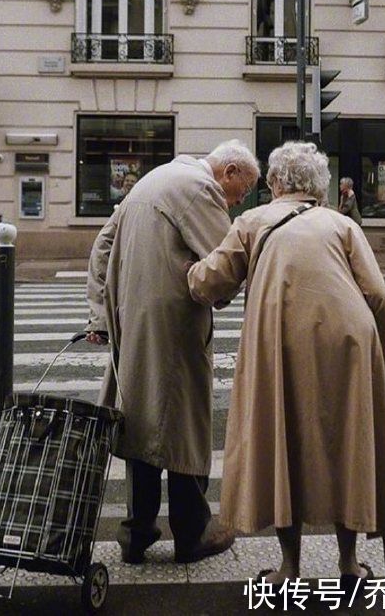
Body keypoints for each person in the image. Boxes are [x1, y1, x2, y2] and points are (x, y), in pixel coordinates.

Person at [187, 141, 385, 592]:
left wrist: (185, 272)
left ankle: (290, 568)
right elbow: (381, 296)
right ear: (319, 187)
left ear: (273, 183)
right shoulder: (341, 224)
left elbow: (211, 280)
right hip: (349, 342)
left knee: (283, 447)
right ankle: (349, 565)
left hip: (281, 343)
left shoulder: (251, 221)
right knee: (350, 448)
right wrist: (382, 346)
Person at [85, 140, 261, 565]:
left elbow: (102, 246)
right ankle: (193, 533)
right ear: (230, 171)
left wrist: (100, 316)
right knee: (184, 428)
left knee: (142, 424)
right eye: (242, 192)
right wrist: (224, 290)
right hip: (175, 327)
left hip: (134, 323)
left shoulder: (154, 179)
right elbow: (225, 263)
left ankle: (136, 533)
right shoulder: (199, 189)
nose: (236, 202)